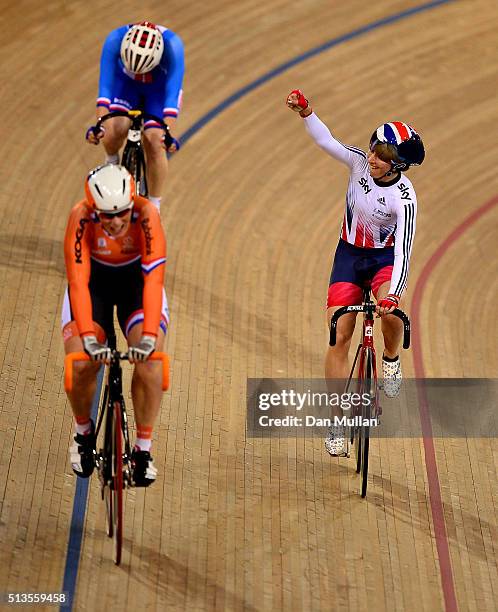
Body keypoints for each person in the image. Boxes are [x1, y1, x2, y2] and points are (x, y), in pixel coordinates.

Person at [286, 89, 424, 455]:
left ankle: (391, 359)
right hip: (348, 255)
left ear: (398, 166)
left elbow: (404, 253)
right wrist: (307, 113)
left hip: (383, 261)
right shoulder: (360, 163)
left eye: (383, 156)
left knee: (393, 313)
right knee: (339, 335)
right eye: (375, 149)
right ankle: (335, 419)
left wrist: (392, 294)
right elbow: (327, 141)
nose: (374, 157)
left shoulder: (404, 199)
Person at [62, 164, 169, 486]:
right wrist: (89, 341)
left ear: (132, 202)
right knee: (80, 363)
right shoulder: (80, 216)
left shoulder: (147, 214)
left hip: (137, 287)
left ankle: (143, 449)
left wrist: (148, 337)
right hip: (93, 288)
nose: (116, 221)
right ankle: (83, 433)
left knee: (151, 363)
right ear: (93, 208)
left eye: (121, 212)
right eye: (107, 215)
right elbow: (78, 283)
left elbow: (153, 281)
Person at [86, 21, 185, 211]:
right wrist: (99, 126)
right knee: (113, 130)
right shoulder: (114, 39)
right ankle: (112, 161)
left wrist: (168, 134)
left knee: (155, 141)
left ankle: (154, 207)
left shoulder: (173, 47)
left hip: (158, 90)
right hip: (126, 85)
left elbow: (172, 97)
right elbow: (105, 90)